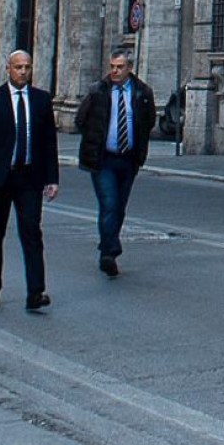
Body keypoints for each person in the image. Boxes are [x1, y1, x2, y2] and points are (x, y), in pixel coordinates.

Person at [0, 50, 60, 312]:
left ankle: (35, 292)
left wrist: (52, 179)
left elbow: (49, 142)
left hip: (29, 178)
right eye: (18, 67)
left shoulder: (41, 100)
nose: (23, 72)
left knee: (32, 232)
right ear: (8, 68)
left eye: (27, 67)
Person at [75, 48, 156, 277]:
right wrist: (95, 140)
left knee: (119, 207)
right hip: (103, 159)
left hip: (128, 159)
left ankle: (108, 245)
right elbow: (81, 119)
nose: (115, 71)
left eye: (120, 67)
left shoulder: (143, 92)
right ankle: (109, 252)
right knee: (109, 203)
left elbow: (148, 122)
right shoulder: (98, 91)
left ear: (130, 68)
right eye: (112, 66)